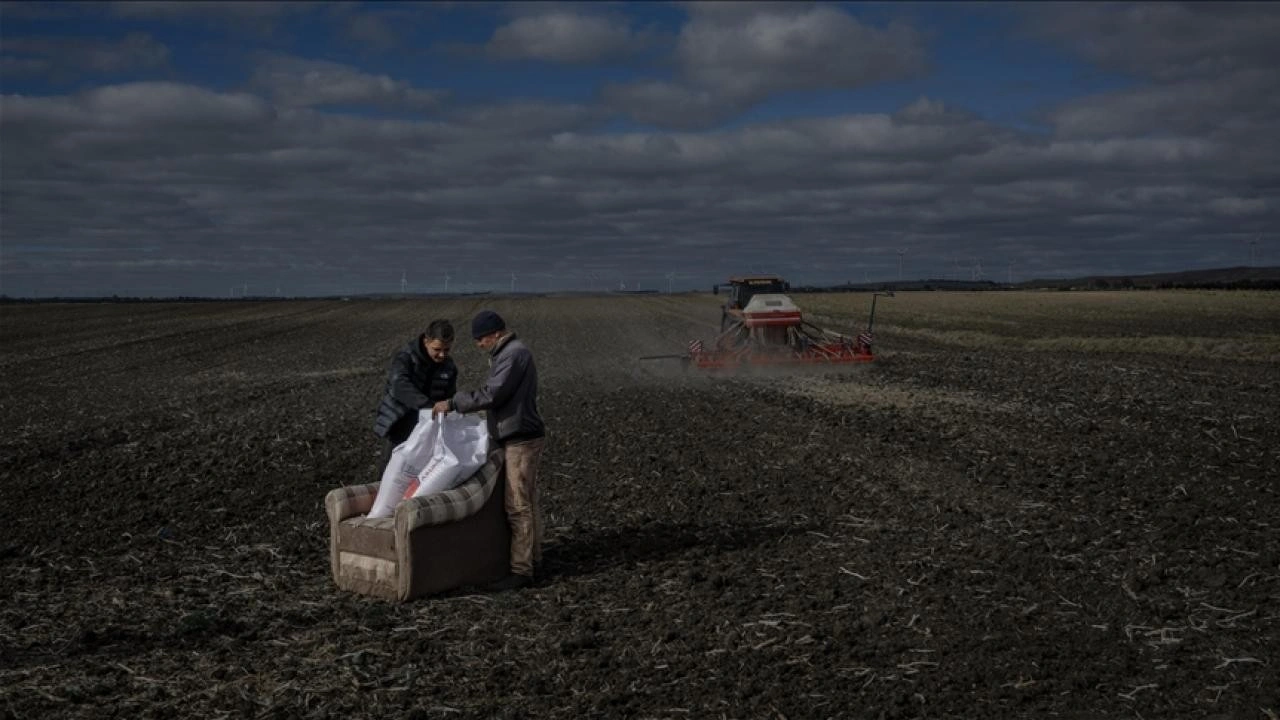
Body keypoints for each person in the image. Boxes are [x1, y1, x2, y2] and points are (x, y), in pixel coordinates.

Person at [433, 310, 545, 592]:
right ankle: (533, 558)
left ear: (494, 334)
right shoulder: (509, 353)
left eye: (480, 339)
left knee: (518, 504)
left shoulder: (513, 355)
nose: (478, 345)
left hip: (520, 438)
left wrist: (454, 403)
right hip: (516, 435)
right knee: (526, 500)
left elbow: (492, 394)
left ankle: (522, 570)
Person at [373, 319, 458, 476]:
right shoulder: (406, 357)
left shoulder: (449, 366)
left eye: (446, 350)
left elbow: (449, 394)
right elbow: (399, 386)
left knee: (420, 469)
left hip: (427, 424)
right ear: (426, 341)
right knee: (390, 467)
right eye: (437, 349)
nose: (442, 355)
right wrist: (429, 405)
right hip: (401, 420)